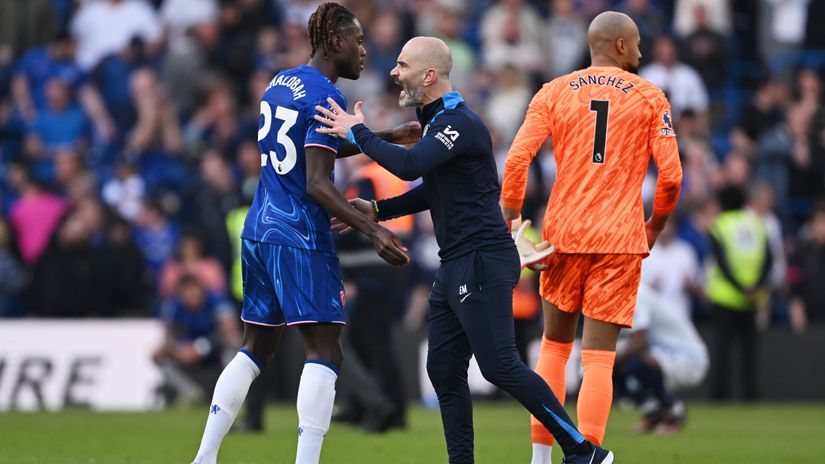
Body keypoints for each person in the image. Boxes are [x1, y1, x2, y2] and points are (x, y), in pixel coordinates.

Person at [315, 36, 613, 464]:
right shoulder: (438, 122)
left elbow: (411, 166)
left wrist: (356, 132)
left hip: (482, 258)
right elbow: (434, 191)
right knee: (443, 369)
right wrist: (378, 209)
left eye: (403, 65)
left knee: (499, 366)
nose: (394, 72)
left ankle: (584, 451)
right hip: (458, 261)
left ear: (429, 75)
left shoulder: (459, 122)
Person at [190, 4, 414, 464]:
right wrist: (374, 230)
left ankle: (205, 457)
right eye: (358, 41)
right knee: (326, 348)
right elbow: (316, 181)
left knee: (254, 348)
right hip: (299, 234)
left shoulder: (280, 82)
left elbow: (308, 147)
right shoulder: (324, 96)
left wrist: (384, 137)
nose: (364, 52)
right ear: (335, 41)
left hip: (259, 228)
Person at [499, 11, 682, 464]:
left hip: (563, 234)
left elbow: (518, 158)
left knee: (555, 349)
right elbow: (672, 177)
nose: (640, 53)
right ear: (620, 46)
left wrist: (512, 220)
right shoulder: (648, 96)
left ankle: (539, 460)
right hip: (619, 238)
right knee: (598, 359)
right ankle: (586, 456)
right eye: (637, 44)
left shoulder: (554, 91)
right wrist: (654, 225)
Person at [705, 185, 772, 401]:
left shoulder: (720, 225)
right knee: (749, 352)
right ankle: (750, 394)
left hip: (725, 297)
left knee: (723, 351)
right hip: (752, 298)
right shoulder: (756, 223)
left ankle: (720, 395)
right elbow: (769, 258)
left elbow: (721, 261)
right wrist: (755, 286)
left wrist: (739, 287)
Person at [614, 284, 708, 434]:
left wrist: (614, 361)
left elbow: (639, 342)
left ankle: (674, 410)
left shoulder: (638, 295)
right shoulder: (627, 293)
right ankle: (653, 411)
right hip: (667, 352)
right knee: (615, 364)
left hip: (688, 358)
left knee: (632, 364)